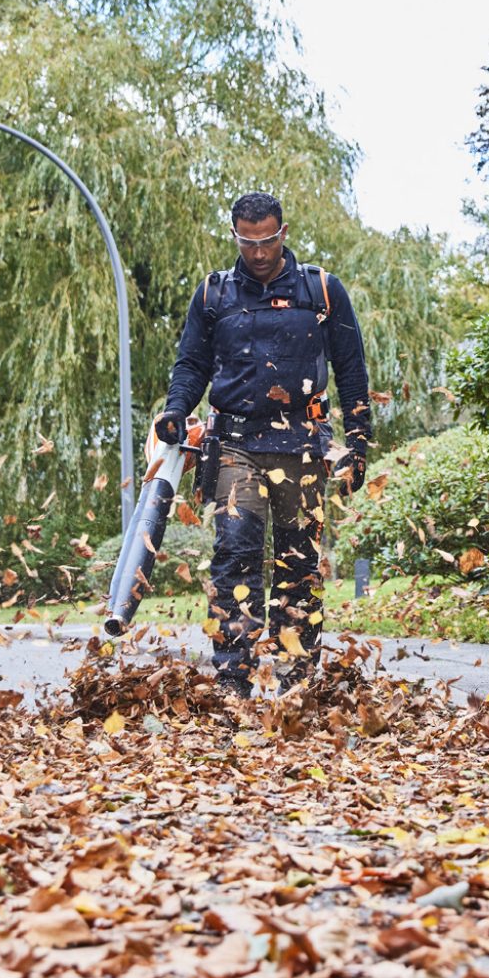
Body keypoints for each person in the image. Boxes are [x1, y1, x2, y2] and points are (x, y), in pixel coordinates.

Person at [152, 192, 370, 696]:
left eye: (267, 240)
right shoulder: (215, 295)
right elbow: (191, 365)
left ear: (283, 233)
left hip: (305, 443)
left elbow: (351, 369)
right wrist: (175, 409)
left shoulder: (322, 290)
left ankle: (296, 680)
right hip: (235, 444)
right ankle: (234, 679)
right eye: (248, 242)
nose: (258, 252)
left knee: (299, 563)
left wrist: (359, 442)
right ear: (235, 235)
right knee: (235, 553)